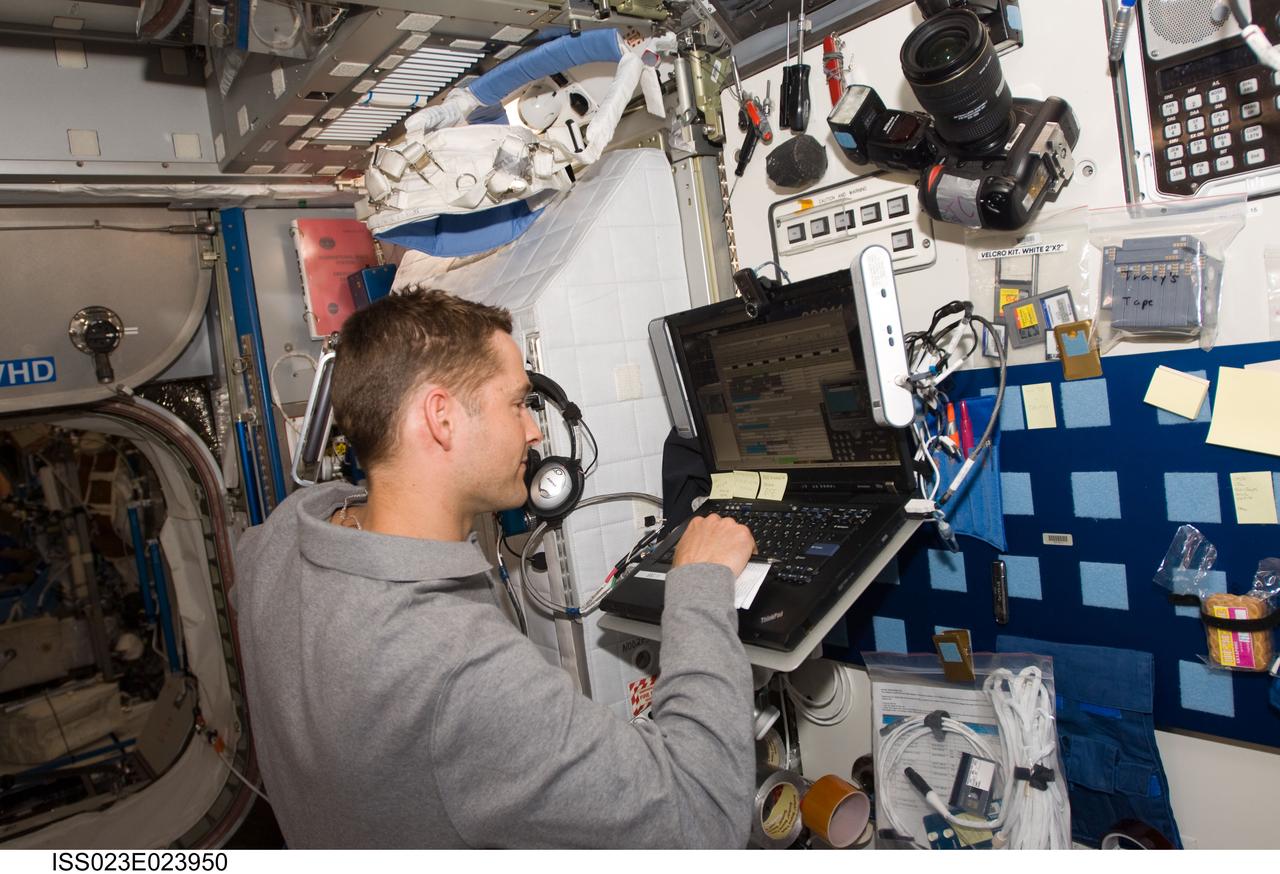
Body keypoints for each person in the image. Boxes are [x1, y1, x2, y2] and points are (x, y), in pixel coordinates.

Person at [234, 289, 758, 848]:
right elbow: (702, 819)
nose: (534, 433)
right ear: (442, 418)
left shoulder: (278, 539)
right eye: (518, 403)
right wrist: (698, 585)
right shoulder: (457, 667)